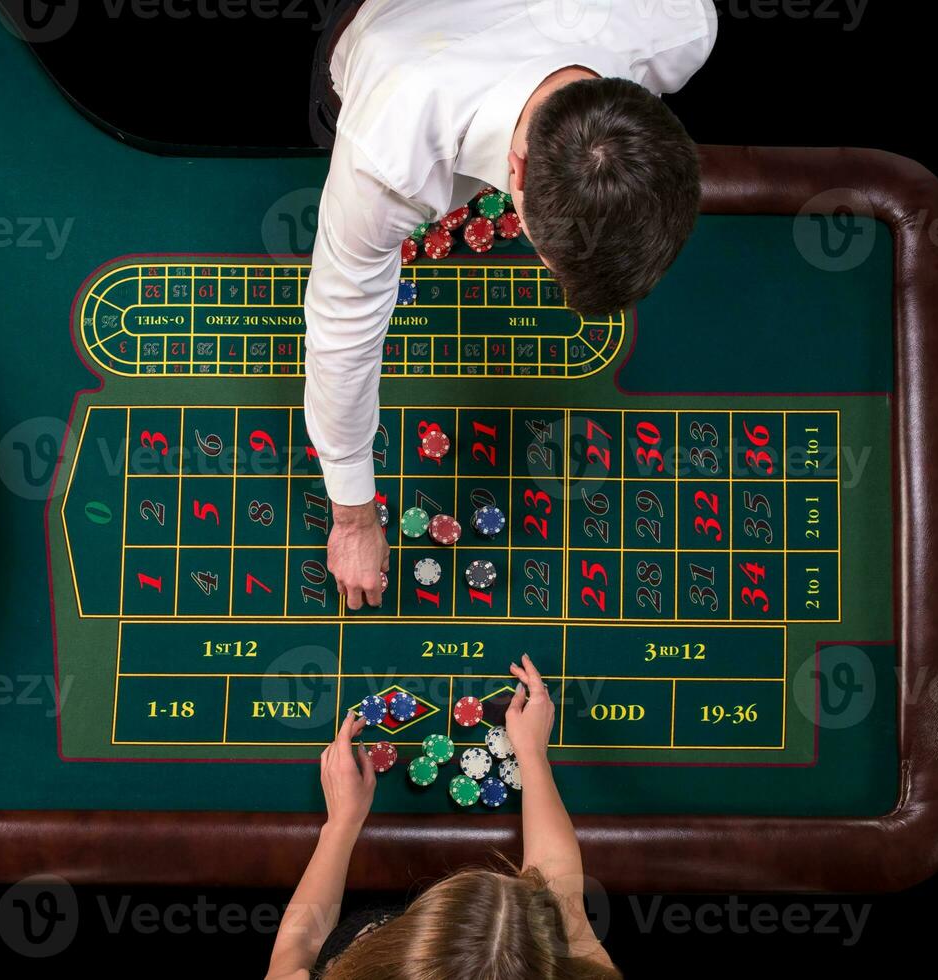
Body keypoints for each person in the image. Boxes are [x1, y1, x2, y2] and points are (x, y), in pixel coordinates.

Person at [302, 0, 717, 610]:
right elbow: (342, 325)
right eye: (547, 255)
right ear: (515, 172)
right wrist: (355, 518)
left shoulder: (681, 25)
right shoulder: (386, 150)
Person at [264, 656, 621, 979]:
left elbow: (298, 950)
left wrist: (340, 826)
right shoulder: (581, 972)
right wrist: (531, 753)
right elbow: (556, 879)